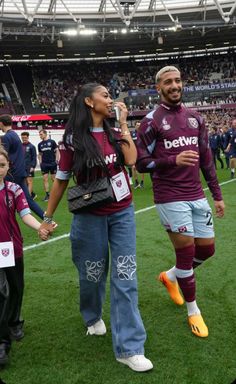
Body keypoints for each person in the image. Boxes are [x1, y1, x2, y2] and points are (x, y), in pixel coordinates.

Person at [39, 83, 153, 372]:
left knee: (125, 274)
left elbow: (131, 161)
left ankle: (129, 347)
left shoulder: (116, 133)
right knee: (91, 274)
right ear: (89, 102)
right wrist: (48, 216)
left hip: (122, 212)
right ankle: (92, 316)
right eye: (104, 95)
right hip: (89, 215)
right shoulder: (72, 139)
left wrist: (125, 124)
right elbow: (62, 179)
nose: (109, 98)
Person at [136, 66, 225, 338]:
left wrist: (217, 195)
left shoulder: (195, 118)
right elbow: (140, 163)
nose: (174, 85)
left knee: (207, 250)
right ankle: (193, 310)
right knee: (186, 255)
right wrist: (171, 160)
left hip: (197, 195)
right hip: (170, 197)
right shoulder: (150, 122)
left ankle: (171, 276)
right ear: (159, 87)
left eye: (177, 81)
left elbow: (207, 160)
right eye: (168, 82)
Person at [0, 145, 48, 367]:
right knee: (1, 294)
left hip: (12, 249)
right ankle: (2, 343)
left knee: (16, 287)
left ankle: (14, 322)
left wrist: (40, 227)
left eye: (1, 165)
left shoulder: (14, 189)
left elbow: (25, 213)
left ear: (8, 165)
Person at [0, 114, 44, 219]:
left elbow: (3, 155)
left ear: (1, 123)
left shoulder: (6, 137)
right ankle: (48, 220)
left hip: (11, 173)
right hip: (20, 173)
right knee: (28, 200)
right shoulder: (15, 135)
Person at [38, 129, 59, 201]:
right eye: (39, 134)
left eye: (41, 134)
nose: (40, 136)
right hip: (44, 164)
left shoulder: (52, 142)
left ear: (45, 134)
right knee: (45, 179)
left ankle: (56, 193)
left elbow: (57, 151)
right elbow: (40, 154)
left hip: (52, 163)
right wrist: (40, 162)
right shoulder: (39, 144)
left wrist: (57, 160)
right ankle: (47, 194)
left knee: (54, 179)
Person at [21, 131, 37, 200]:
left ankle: (29, 197)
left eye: (25, 137)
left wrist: (33, 166)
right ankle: (32, 194)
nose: (24, 139)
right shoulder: (20, 146)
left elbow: (34, 157)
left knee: (29, 182)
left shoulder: (32, 146)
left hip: (29, 167)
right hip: (22, 167)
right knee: (25, 182)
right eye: (22, 138)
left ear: (28, 137)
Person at [130, 121, 145, 189]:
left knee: (142, 167)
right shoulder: (132, 133)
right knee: (133, 168)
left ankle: (142, 182)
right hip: (134, 153)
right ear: (135, 126)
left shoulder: (143, 133)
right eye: (137, 125)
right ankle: (136, 182)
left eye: (139, 125)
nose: (138, 126)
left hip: (141, 152)